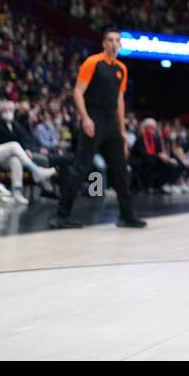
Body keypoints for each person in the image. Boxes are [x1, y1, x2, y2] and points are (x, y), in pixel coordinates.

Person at [51, 30, 146, 228]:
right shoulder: (93, 62)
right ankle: (61, 216)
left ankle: (127, 216)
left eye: (117, 40)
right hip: (93, 120)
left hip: (111, 124)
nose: (114, 43)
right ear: (104, 43)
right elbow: (78, 92)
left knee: (120, 170)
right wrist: (85, 118)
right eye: (110, 40)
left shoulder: (121, 69)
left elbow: (120, 101)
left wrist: (122, 131)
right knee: (81, 168)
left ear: (120, 45)